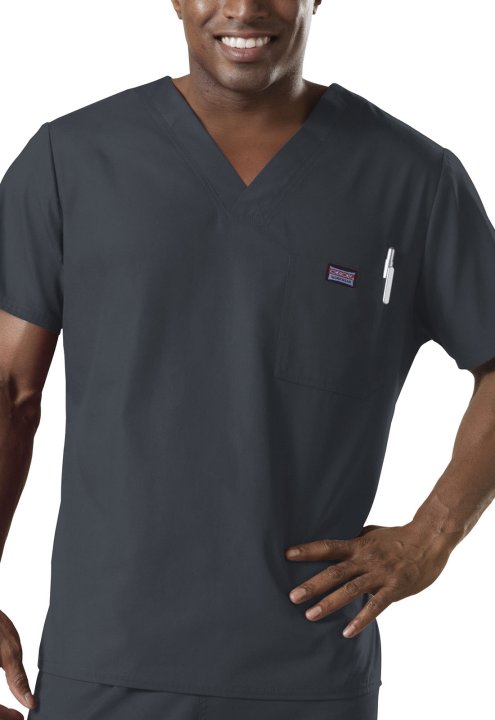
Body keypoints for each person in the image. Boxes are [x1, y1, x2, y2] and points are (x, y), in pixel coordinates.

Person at [1, 0, 495, 718]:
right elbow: (10, 391)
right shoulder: (68, 161)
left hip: (309, 672)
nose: (243, 7)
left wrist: (433, 535)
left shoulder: (412, 180)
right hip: (105, 661)